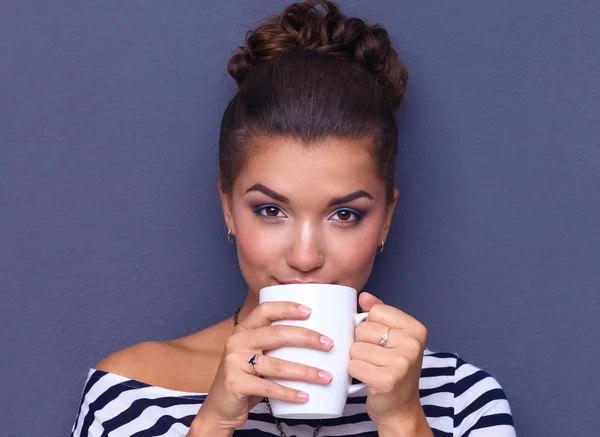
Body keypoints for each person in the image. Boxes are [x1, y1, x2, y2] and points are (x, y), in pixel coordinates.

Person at [71, 1, 516, 436]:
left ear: (385, 220)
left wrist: (403, 422)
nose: (305, 257)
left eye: (345, 214)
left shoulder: (459, 401)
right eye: (270, 211)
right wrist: (214, 423)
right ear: (228, 207)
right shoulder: (129, 396)